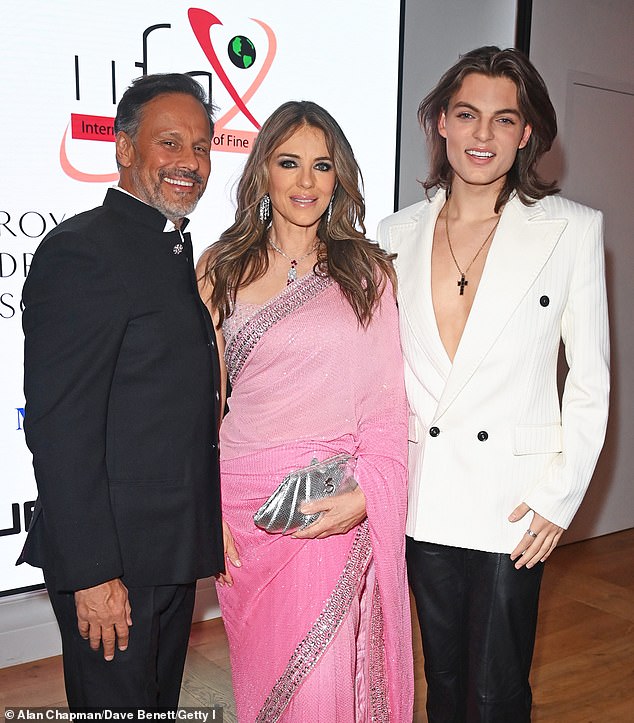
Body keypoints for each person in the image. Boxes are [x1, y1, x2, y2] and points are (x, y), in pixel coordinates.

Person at [377, 46, 609, 721]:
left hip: (516, 502)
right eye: (467, 115)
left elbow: (590, 380)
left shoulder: (571, 229)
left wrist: (559, 498)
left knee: (496, 689)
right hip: (427, 492)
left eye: (503, 120)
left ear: (525, 133)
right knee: (443, 681)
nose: (483, 135)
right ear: (440, 123)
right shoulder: (395, 233)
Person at [197, 100, 413, 721]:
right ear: (263, 170)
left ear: (337, 177)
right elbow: (198, 403)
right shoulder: (222, 267)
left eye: (321, 166)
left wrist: (366, 496)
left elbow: (383, 404)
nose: (306, 182)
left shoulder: (365, 273)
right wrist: (203, 508)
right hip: (240, 512)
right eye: (289, 163)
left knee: (321, 693)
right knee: (264, 692)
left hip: (328, 507)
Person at [19, 73, 224, 709]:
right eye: (170, 144)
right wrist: (94, 575)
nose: (189, 162)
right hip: (115, 565)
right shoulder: (84, 252)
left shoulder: (169, 247)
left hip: (164, 553)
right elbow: (59, 429)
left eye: (201, 147)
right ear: (125, 149)